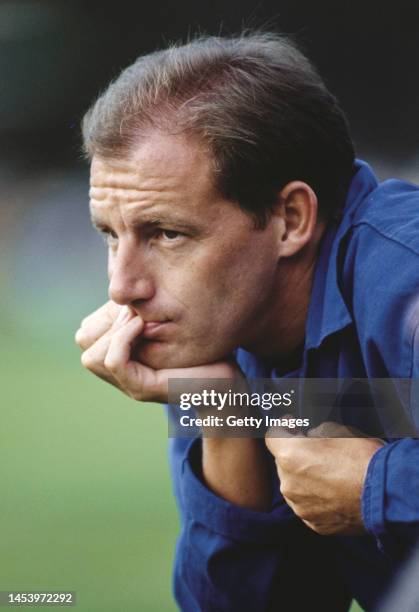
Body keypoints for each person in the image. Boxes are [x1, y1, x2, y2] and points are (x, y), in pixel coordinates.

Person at [75, 32, 419, 611]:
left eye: (166, 233)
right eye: (111, 235)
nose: (121, 287)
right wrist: (225, 411)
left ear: (290, 219)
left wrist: (378, 487)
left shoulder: (405, 276)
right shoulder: (224, 333)